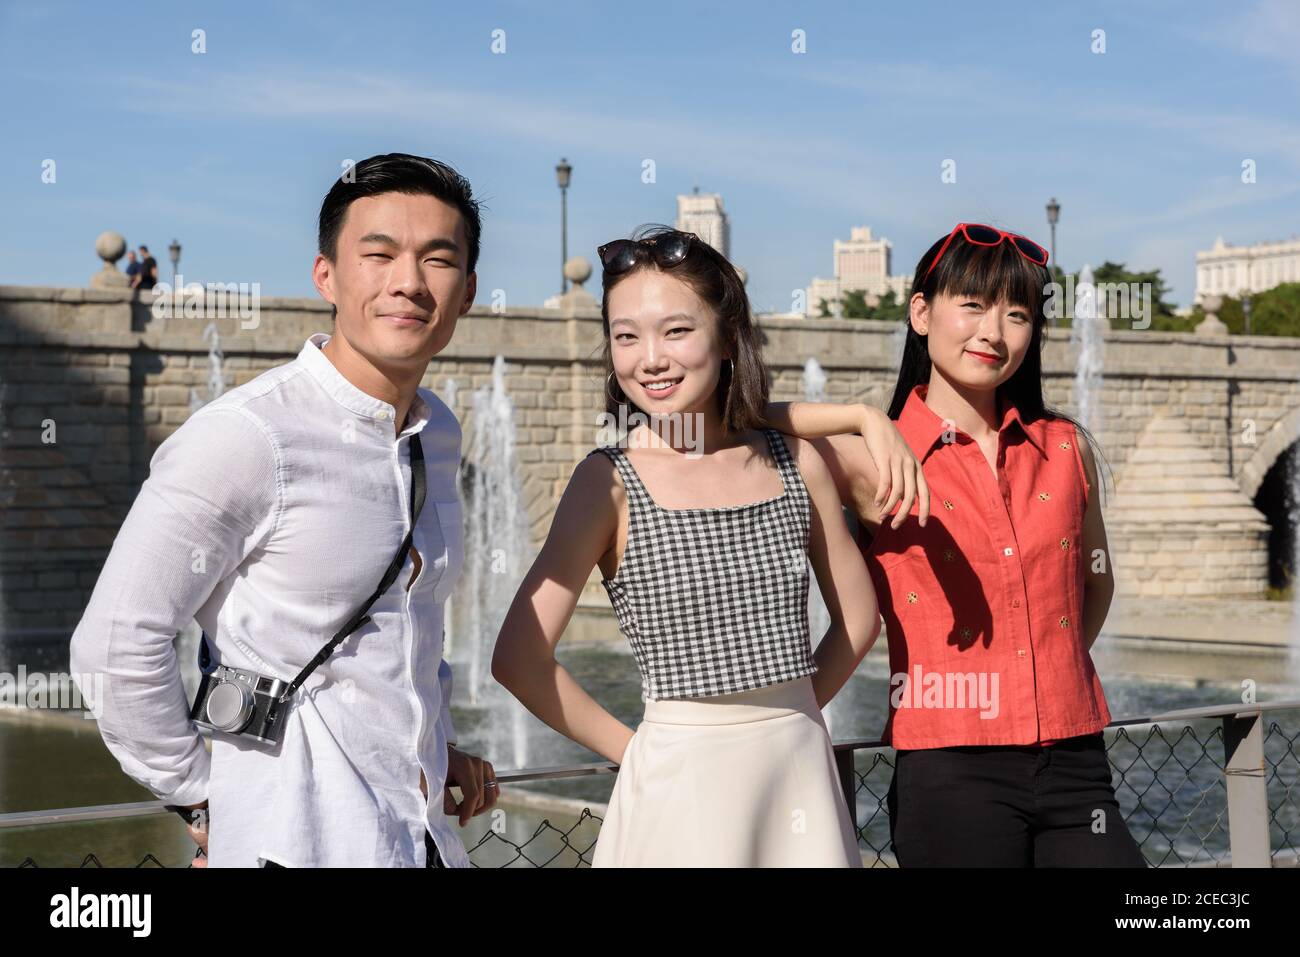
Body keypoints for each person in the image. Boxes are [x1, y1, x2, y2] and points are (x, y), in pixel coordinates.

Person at [70, 153, 497, 868]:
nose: (408, 282)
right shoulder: (248, 435)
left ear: (469, 289)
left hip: (422, 838)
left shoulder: (439, 435)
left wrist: (433, 743)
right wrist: (203, 798)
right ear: (326, 275)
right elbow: (113, 645)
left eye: (438, 259)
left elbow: (406, 628)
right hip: (295, 844)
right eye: (379, 253)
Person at [492, 225, 896, 867]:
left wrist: (787, 716)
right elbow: (518, 656)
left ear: (729, 335)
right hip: (677, 780)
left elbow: (862, 619)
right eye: (626, 336)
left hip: (797, 770)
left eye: (675, 330)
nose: (649, 357)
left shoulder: (798, 461)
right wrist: (640, 750)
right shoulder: (608, 480)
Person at [765, 222, 1146, 867]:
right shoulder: (875, 459)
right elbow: (725, 411)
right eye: (971, 305)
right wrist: (860, 418)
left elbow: (1095, 582)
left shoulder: (1064, 448)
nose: (993, 331)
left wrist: (1039, 673)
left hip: (1076, 760)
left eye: (1017, 314)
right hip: (951, 768)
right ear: (921, 313)